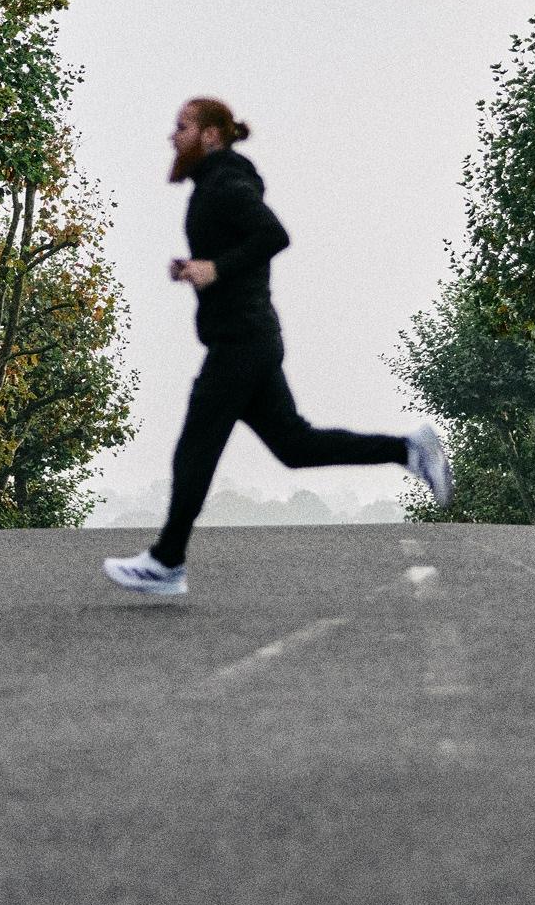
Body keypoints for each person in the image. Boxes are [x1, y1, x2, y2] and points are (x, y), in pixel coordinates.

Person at [103, 97, 453, 597]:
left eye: (182, 127)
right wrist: (196, 268)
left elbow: (274, 234)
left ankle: (167, 560)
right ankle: (408, 448)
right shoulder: (214, 183)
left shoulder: (227, 181)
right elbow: (242, 247)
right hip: (250, 339)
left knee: (196, 446)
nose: (172, 136)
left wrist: (216, 268)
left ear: (210, 134)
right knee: (294, 445)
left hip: (242, 342)